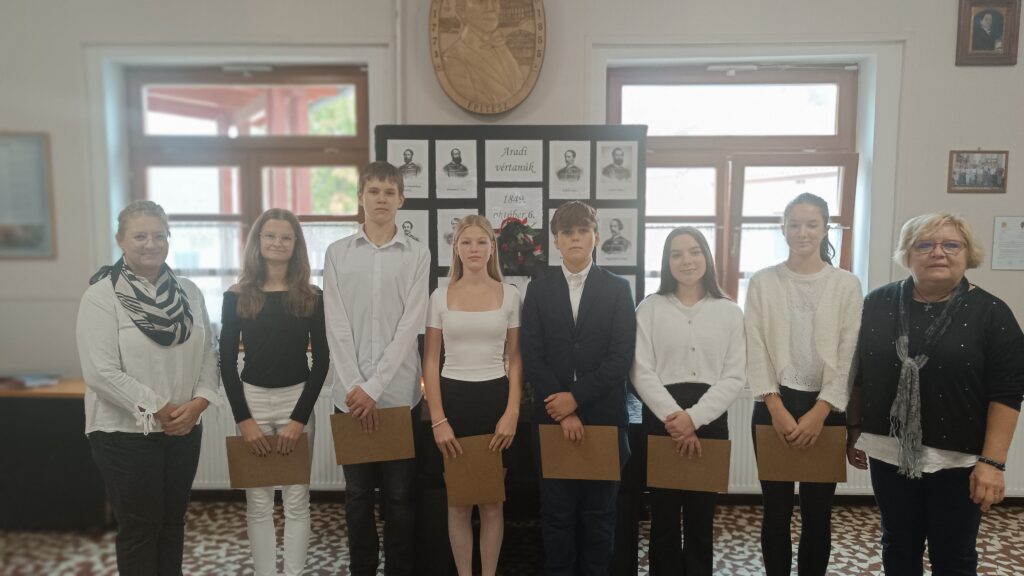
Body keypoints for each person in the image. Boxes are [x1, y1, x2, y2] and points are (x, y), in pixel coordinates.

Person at [846, 213, 1023, 575]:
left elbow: (1007, 392)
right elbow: (860, 374)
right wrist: (854, 430)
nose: (938, 253)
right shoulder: (876, 303)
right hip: (889, 452)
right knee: (897, 545)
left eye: (951, 245)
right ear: (907, 253)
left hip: (959, 460)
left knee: (953, 555)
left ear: (967, 253)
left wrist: (992, 464)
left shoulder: (992, 312)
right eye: (924, 245)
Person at [76, 200, 220, 574]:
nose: (151, 244)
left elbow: (209, 353)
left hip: (183, 429)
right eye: (140, 236)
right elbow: (101, 372)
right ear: (120, 240)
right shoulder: (101, 296)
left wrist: (199, 403)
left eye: (159, 236)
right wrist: (161, 408)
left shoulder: (190, 292)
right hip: (124, 432)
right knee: (141, 529)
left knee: (172, 523)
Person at [744, 192, 862, 576]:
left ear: (826, 228)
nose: (802, 232)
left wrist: (822, 410)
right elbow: (755, 345)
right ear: (783, 228)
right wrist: (775, 406)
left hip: (826, 409)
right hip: (773, 405)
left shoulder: (846, 284)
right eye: (794, 224)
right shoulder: (762, 282)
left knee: (817, 512)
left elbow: (849, 352)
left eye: (812, 224)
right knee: (775, 510)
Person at [323, 162, 430, 576]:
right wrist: (357, 387)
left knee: (401, 497)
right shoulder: (337, 254)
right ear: (360, 198)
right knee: (357, 497)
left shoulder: (418, 254)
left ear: (401, 199)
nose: (381, 199)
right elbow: (335, 325)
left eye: (389, 192)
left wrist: (375, 388)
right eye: (373, 191)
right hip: (349, 398)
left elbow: (410, 328)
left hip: (399, 397)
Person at [521, 201, 636, 575]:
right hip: (551, 418)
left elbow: (620, 357)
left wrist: (575, 400)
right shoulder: (538, 291)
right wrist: (562, 408)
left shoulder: (618, 289)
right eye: (567, 232)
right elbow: (532, 355)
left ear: (595, 236)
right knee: (556, 516)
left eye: (582, 231)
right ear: (556, 241)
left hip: (603, 417)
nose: (575, 238)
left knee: (599, 515)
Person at [219, 208, 328, 576]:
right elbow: (225, 363)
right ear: (258, 242)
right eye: (270, 236)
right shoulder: (237, 295)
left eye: (285, 237)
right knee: (259, 504)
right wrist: (244, 420)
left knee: (297, 501)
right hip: (252, 403)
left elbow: (322, 361)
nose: (277, 243)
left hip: (297, 400)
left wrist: (299, 419)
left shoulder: (312, 295)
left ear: (296, 244)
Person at [631, 227, 745, 576]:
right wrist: (675, 417)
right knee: (663, 518)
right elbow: (640, 371)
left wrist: (693, 419)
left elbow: (734, 376)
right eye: (676, 254)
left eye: (694, 251)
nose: (687, 261)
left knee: (701, 519)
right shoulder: (649, 308)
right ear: (667, 262)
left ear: (706, 257)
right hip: (661, 419)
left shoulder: (729, 312)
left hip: (710, 421)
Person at [423, 214, 522, 576]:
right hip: (453, 403)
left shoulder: (510, 295)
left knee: (492, 503)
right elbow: (430, 360)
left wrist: (512, 412)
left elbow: (516, 358)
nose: (474, 249)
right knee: (459, 504)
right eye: (466, 242)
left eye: (481, 242)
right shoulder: (439, 296)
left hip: (495, 402)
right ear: (456, 249)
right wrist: (438, 420)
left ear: (492, 248)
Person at [443, 0, 526, 105]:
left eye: (495, 1)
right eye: (480, 1)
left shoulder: (501, 47)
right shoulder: (453, 59)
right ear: (462, 11)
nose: (491, 8)